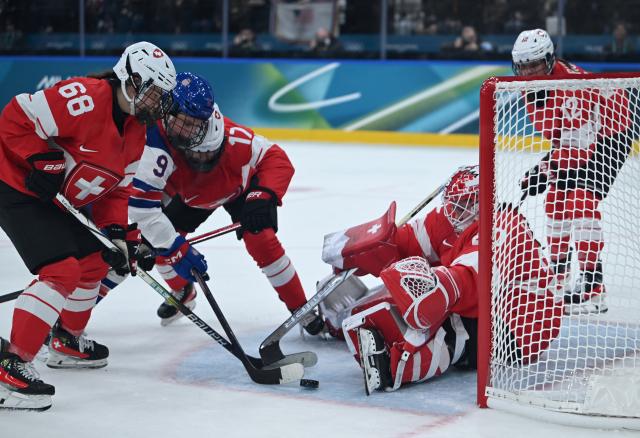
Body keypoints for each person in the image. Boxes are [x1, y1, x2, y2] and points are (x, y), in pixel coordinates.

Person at [0, 41, 177, 410]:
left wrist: (117, 233)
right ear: (128, 80)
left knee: (98, 258)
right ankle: (11, 364)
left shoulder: (135, 131)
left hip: (55, 200)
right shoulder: (83, 97)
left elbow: (115, 190)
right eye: (151, 92)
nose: (154, 104)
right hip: (14, 185)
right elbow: (14, 118)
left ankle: (65, 338)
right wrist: (39, 159)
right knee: (61, 271)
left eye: (160, 96)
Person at [100, 71, 324, 335]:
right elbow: (144, 206)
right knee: (158, 244)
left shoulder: (236, 139)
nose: (186, 134)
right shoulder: (161, 141)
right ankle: (182, 290)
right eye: (179, 121)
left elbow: (276, 158)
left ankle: (301, 308)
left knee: (262, 240)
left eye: (204, 149)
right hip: (191, 199)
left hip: (240, 191)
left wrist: (262, 195)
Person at [319, 165, 563, 394]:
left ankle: (393, 367)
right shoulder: (455, 218)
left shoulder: (500, 228)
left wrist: (427, 286)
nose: (452, 210)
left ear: (480, 203)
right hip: (490, 302)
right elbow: (409, 240)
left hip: (521, 324)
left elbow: (465, 281)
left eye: (462, 204)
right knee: (401, 290)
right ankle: (345, 318)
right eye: (452, 203)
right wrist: (366, 250)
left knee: (446, 325)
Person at [512, 28, 632, 315]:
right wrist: (544, 169)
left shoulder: (569, 87)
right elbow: (563, 140)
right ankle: (559, 276)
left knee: (581, 200)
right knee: (555, 201)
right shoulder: (531, 90)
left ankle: (593, 288)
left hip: (612, 134)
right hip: (582, 137)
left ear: (550, 60)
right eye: (524, 66)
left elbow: (581, 144)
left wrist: (547, 169)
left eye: (536, 65)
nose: (529, 73)